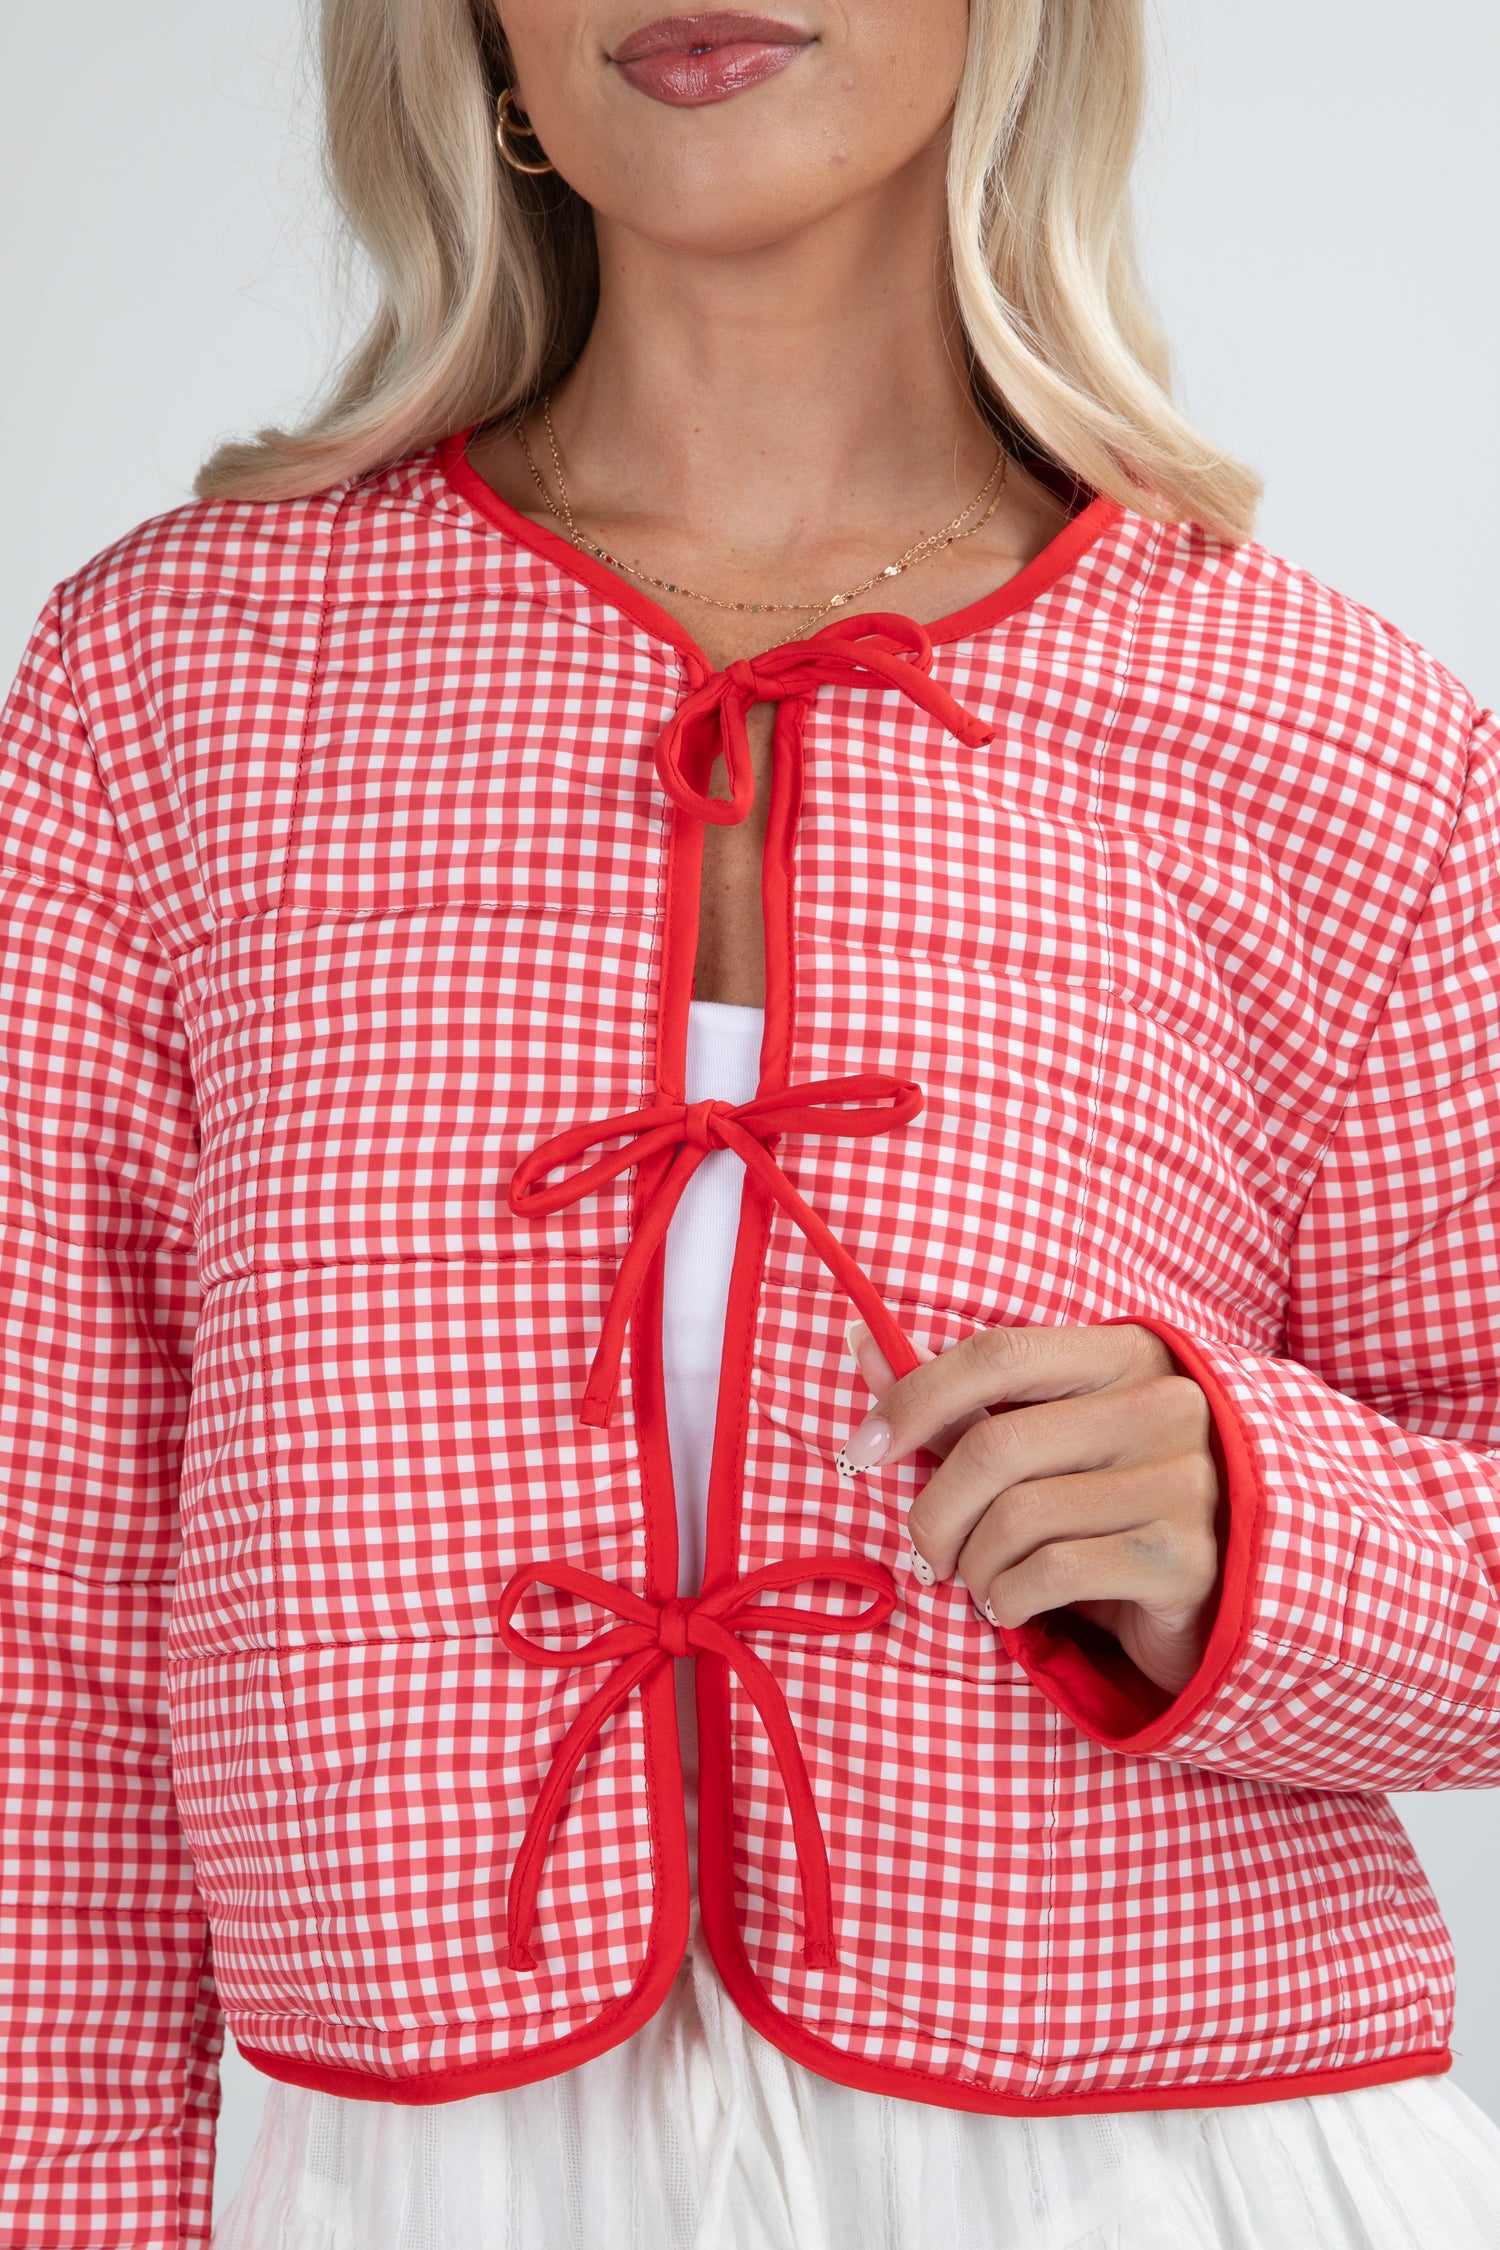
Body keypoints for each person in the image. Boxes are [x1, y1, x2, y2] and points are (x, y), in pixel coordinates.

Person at [3, 2, 1500, 2245]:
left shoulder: (1326, 725)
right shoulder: (177, 680)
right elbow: (49, 1592)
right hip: (412, 2170)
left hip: (1159, 2162)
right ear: (489, 47)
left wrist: (1261, 1526)